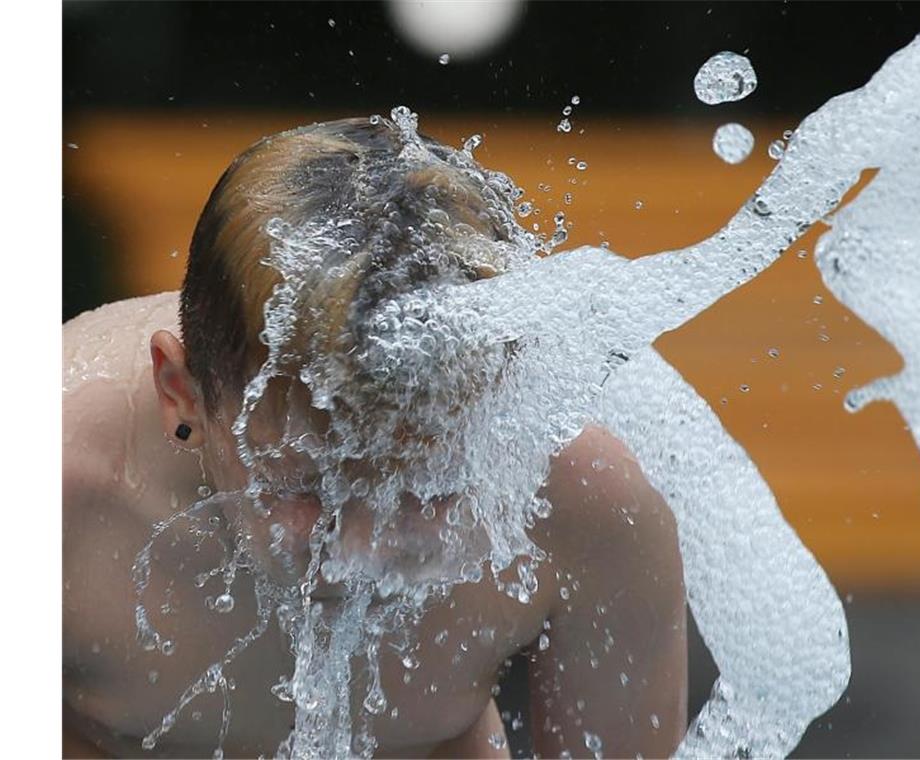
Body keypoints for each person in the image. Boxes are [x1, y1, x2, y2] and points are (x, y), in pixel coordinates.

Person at [63, 116, 688, 758]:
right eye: (312, 485)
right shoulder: (52, 489)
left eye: (428, 486)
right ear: (182, 393)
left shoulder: (584, 506)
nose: (365, 548)